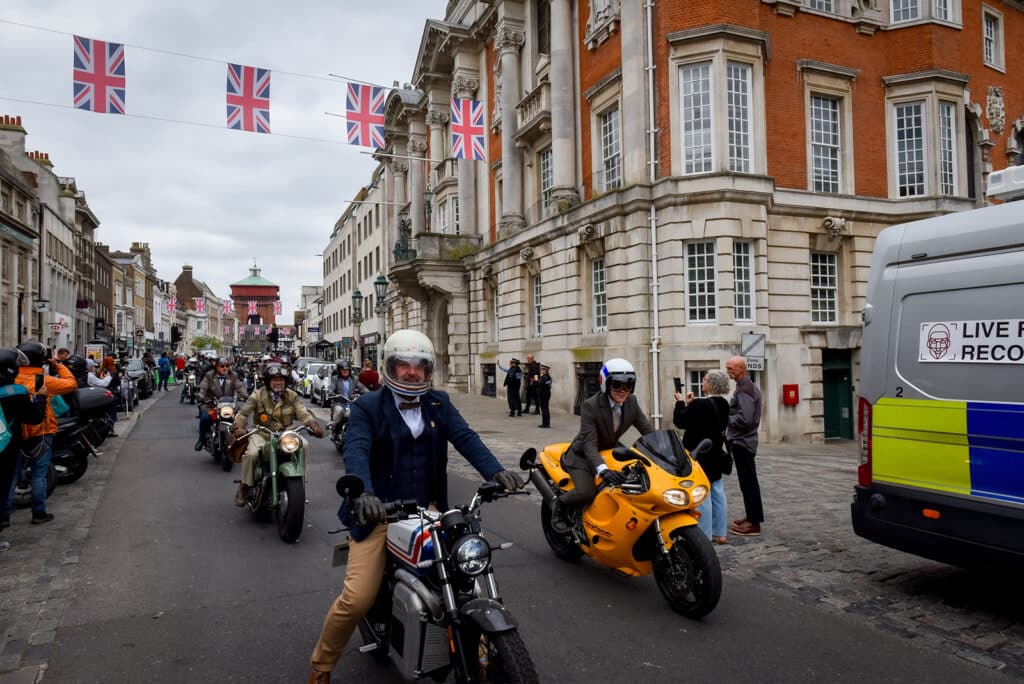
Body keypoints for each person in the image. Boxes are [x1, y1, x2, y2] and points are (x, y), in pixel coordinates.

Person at [308, 329, 524, 683]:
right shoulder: (367, 406)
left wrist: (496, 472)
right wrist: (363, 494)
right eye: (403, 365)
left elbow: (466, 437)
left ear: (428, 370)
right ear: (389, 367)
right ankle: (322, 665)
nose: (411, 372)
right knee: (357, 597)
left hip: (427, 509)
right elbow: (356, 449)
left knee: (465, 570)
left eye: (419, 366)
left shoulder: (438, 403)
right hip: (377, 511)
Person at [550, 358, 654, 534]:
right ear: (605, 384)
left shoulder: (632, 402)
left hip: (610, 450)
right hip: (582, 454)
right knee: (586, 492)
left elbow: (648, 431)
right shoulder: (590, 406)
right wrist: (603, 470)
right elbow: (589, 444)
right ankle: (559, 505)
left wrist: (671, 453)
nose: (623, 391)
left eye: (628, 386)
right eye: (617, 385)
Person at [1, 341, 78, 525]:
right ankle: (39, 513)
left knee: (11, 476)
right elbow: (71, 384)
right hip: (41, 431)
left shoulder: (13, 379)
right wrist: (57, 365)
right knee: (39, 474)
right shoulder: (42, 380)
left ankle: (4, 516)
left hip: (15, 433)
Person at [230, 363, 323, 506]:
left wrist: (313, 425)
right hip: (262, 433)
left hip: (287, 433)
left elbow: (303, 413)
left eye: (281, 380)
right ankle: (245, 486)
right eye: (274, 380)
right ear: (268, 381)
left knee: (304, 445)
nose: (278, 383)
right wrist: (239, 427)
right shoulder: (257, 395)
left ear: (286, 382)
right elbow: (243, 413)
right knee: (252, 454)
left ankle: (299, 483)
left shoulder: (291, 395)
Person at [673, 370, 731, 544]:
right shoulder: (724, 404)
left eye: (705, 380)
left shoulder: (701, 405)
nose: (703, 382)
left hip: (700, 454)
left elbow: (681, 421)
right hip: (716, 452)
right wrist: (691, 403)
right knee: (717, 492)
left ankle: (704, 535)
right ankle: (720, 533)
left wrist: (681, 403)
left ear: (711, 384)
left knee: (702, 495)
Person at [0, 348, 48, 551]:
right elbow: (34, 417)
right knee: (4, 486)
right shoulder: (15, 393)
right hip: (7, 446)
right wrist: (41, 398)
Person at [726, 356, 763, 537]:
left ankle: (753, 523)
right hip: (744, 442)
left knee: (748, 483)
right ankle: (751, 517)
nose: (728, 371)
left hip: (743, 442)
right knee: (747, 483)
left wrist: (727, 419)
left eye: (731, 368)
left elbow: (745, 419)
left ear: (741, 369)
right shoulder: (745, 387)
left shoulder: (745, 389)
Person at [196, 357, 248, 451]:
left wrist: (246, 396)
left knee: (240, 420)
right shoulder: (209, 375)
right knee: (204, 418)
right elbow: (203, 387)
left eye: (227, 366)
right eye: (222, 366)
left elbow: (240, 387)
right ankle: (202, 439)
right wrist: (200, 395)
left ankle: (240, 441)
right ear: (216, 367)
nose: (225, 368)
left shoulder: (233, 375)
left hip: (229, 406)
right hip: (212, 406)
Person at [537, 364, 552, 428]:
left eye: (542, 369)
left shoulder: (544, 377)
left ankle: (545, 424)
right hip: (546, 394)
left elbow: (541, 386)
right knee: (545, 409)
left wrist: (537, 382)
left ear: (545, 370)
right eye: (541, 369)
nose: (541, 370)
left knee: (544, 410)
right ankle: (546, 423)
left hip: (543, 395)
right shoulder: (548, 377)